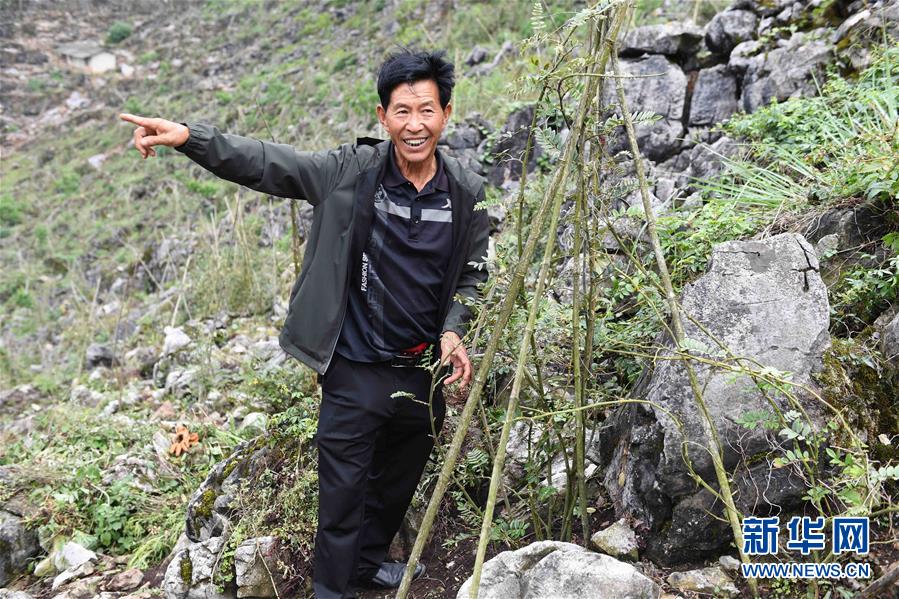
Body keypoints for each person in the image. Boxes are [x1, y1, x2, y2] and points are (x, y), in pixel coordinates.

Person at [120, 49, 489, 599]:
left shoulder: (464, 192)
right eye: (402, 111)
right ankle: (332, 590)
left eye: (427, 110)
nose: (416, 125)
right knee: (341, 497)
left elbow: (473, 274)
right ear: (383, 116)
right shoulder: (349, 172)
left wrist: (455, 327)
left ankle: (366, 566)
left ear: (447, 113)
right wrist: (189, 137)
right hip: (354, 368)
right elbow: (269, 163)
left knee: (396, 484)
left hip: (421, 370)